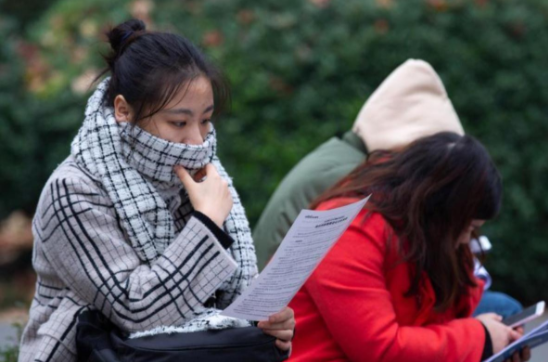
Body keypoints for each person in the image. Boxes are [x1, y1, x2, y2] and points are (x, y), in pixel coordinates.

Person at [18, 19, 294, 362]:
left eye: (206, 119)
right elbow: (138, 311)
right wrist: (207, 224)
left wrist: (264, 321)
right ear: (123, 110)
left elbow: (218, 302)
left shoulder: (199, 177)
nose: (197, 140)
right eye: (179, 122)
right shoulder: (74, 190)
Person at [253, 59, 522, 318]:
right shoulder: (356, 189)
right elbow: (384, 342)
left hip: (291, 316)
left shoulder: (348, 164)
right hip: (287, 323)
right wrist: (482, 338)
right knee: (501, 311)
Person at [288, 132, 530, 362]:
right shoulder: (346, 229)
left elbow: (445, 315)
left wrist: (494, 341)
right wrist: (482, 338)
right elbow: (381, 350)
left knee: (503, 315)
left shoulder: (418, 230)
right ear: (439, 211)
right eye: (466, 227)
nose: (466, 240)